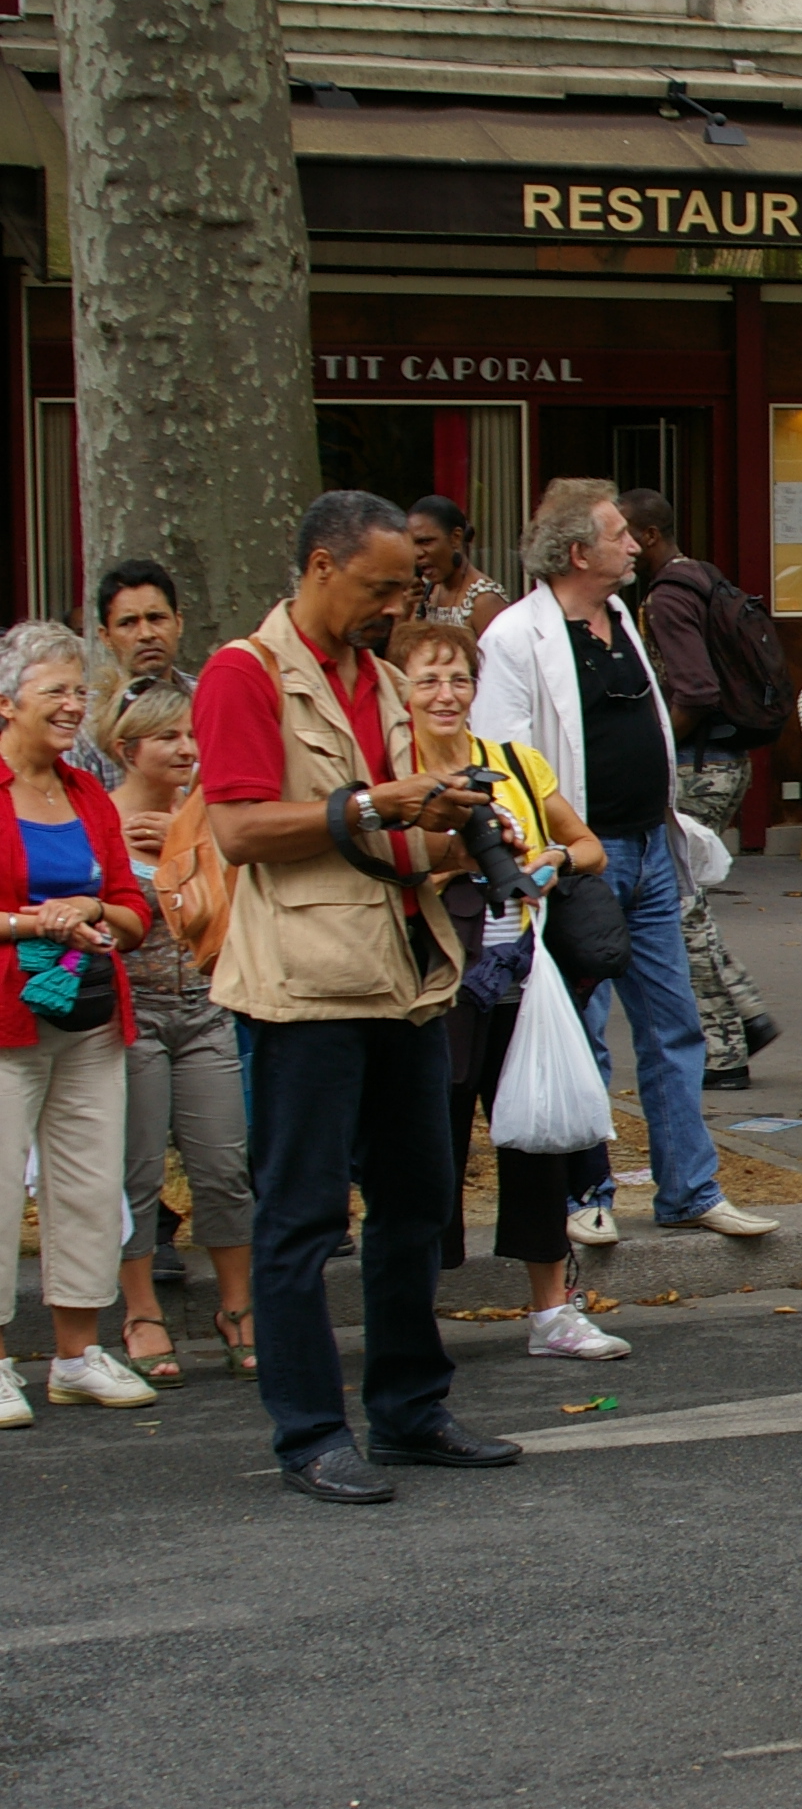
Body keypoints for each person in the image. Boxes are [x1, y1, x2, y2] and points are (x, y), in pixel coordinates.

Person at [189, 490, 525, 1499]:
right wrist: (373, 802)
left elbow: (390, 831)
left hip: (403, 974)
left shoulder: (375, 676)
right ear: (322, 565)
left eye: (407, 584)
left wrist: (461, 828)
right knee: (300, 1215)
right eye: (381, 583)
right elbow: (242, 832)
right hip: (304, 982)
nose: (396, 601)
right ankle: (307, 1431)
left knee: (418, 1205)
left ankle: (409, 1410)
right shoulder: (242, 674)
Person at [473, 478, 777, 1240]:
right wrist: (548, 854)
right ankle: (587, 1194)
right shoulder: (514, 637)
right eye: (618, 535)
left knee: (673, 1028)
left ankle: (690, 1189)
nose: (635, 544)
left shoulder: (621, 618)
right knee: (583, 1030)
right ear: (578, 551)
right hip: (583, 859)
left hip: (647, 844)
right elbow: (504, 760)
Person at [395, 619, 632, 1360]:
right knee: (426, 1150)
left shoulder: (514, 765)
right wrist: (450, 861)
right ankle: (410, 1317)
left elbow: (588, 846)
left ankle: (551, 1310)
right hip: (431, 986)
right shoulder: (392, 774)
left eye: (459, 678)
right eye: (428, 679)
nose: (445, 694)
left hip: (520, 982)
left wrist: (552, 857)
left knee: (537, 1143)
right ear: (398, 689)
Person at [0, 622, 157, 1431]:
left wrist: (94, 908)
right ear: (6, 700)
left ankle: (76, 1356)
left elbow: (134, 906)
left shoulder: (88, 792)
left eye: (78, 691)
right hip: (6, 1019)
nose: (71, 706)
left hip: (90, 1014)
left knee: (91, 1186)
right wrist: (34, 925)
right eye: (54, 691)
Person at [101, 677, 256, 1385]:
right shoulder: (99, 819)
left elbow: (237, 910)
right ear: (127, 748)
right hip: (129, 1015)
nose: (187, 749)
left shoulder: (205, 817)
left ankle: (238, 1309)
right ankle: (140, 1313)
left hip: (204, 1007)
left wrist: (182, 846)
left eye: (192, 736)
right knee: (135, 1173)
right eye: (168, 737)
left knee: (223, 1170)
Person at [620, 490, 780, 1092]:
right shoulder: (706, 580)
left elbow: (696, 690)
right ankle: (745, 1010)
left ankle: (723, 1048)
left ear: (652, 536)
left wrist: (653, 746)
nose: (625, 550)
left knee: (678, 906)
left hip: (695, 764)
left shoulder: (666, 598)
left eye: (628, 537)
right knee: (689, 901)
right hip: (725, 758)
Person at [70, 560, 193, 788]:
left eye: (156, 618)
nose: (146, 634)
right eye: (128, 623)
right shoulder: (85, 721)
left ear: (178, 622)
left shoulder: (209, 701)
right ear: (105, 636)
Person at [408, 496, 508, 637]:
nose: (417, 553)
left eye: (425, 542)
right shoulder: (429, 593)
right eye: (412, 544)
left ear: (456, 538)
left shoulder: (484, 601)